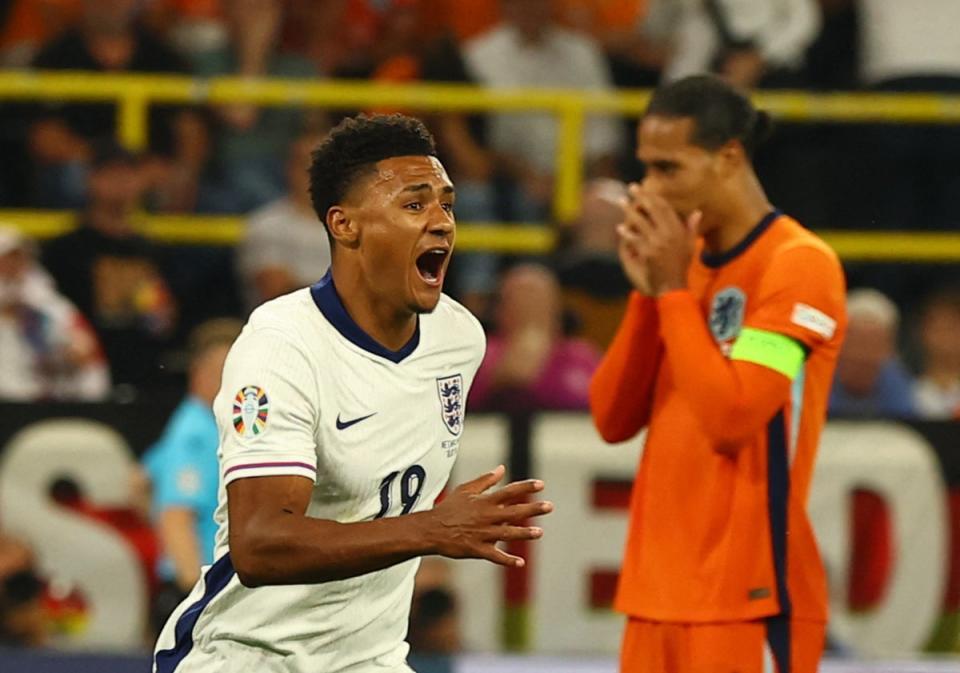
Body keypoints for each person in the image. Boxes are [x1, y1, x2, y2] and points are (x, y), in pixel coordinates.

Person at [152, 113, 552, 673]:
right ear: (345, 225)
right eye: (415, 205)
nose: (441, 223)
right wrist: (431, 530)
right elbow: (259, 544)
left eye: (447, 204)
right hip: (248, 658)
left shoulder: (459, 340)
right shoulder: (281, 348)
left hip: (371, 660)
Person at [589, 76, 847, 673]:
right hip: (654, 596)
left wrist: (674, 290)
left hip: (747, 594)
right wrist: (652, 294)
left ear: (729, 156)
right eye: (645, 169)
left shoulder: (798, 266)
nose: (650, 189)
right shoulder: (683, 265)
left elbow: (732, 418)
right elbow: (611, 419)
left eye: (668, 169)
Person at [41, 142, 177, 392]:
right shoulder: (64, 250)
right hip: (80, 376)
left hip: (141, 373)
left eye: (128, 174)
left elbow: (163, 319)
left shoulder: (153, 251)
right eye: (111, 174)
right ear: (90, 179)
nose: (121, 183)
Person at [141, 318, 243, 633]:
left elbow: (139, 482)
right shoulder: (194, 434)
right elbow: (176, 517)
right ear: (198, 374)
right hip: (201, 592)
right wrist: (196, 598)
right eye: (225, 371)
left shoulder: (206, 426)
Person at [469, 264, 602, 411]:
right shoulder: (481, 353)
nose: (530, 306)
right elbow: (503, 391)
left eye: (538, 298)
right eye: (520, 299)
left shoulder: (582, 355)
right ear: (499, 310)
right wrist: (528, 343)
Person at [0, 225, 109, 401]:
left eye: (19, 261)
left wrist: (68, 358)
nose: (12, 271)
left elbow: (91, 365)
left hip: (39, 409)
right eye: (4, 263)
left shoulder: (54, 311)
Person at [236, 131, 332, 311]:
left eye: (326, 168)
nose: (317, 176)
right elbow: (277, 293)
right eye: (307, 167)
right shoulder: (267, 226)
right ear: (290, 169)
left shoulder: (360, 224)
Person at [828, 288, 915, 419]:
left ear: (890, 349)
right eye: (858, 342)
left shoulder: (898, 384)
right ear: (839, 343)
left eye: (874, 344)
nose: (864, 355)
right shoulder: (819, 381)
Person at [913, 288, 960, 419]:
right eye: (938, 328)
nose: (945, 337)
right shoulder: (907, 392)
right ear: (922, 332)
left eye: (952, 327)